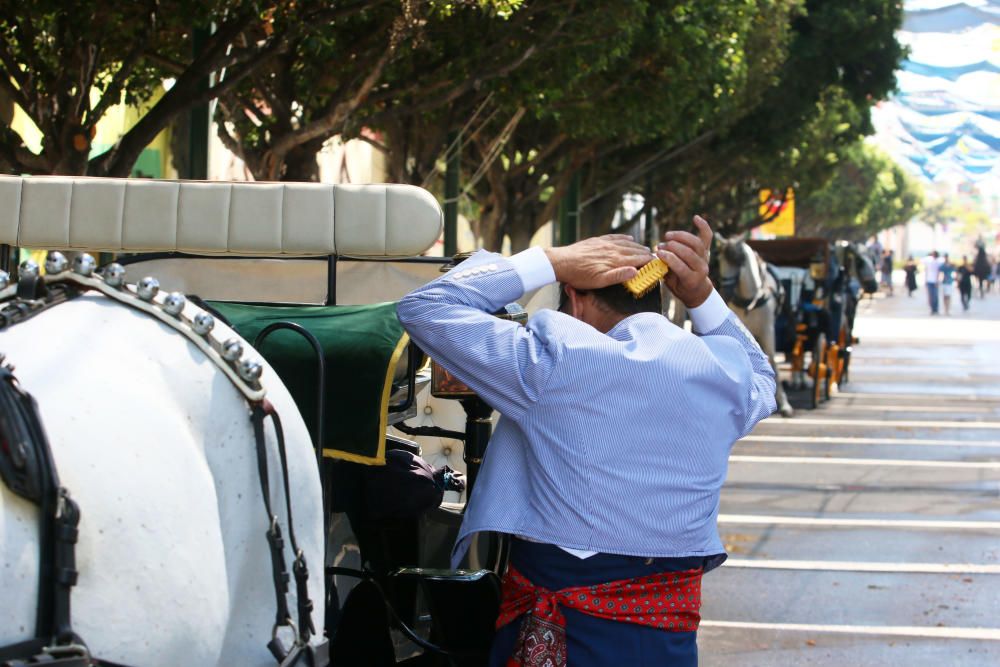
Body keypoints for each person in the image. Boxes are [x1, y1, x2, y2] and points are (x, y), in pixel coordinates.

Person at [397, 217, 776, 667]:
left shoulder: (553, 363)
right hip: (665, 642)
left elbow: (425, 307)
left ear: (574, 301)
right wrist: (701, 295)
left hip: (561, 631)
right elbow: (763, 378)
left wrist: (550, 261)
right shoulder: (721, 374)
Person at [923, 250, 943, 315]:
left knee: (935, 295)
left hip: (935, 281)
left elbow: (939, 272)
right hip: (929, 280)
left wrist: (937, 281)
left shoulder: (938, 262)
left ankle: (936, 309)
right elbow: (926, 270)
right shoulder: (929, 261)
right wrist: (925, 280)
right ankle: (932, 309)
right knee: (931, 296)